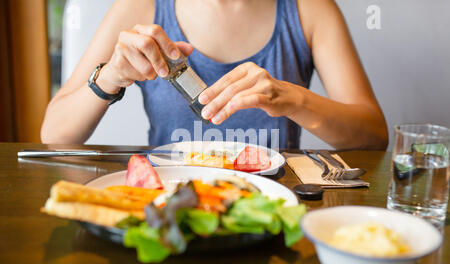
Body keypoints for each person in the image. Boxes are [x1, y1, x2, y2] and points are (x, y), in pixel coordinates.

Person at [41, 0, 388, 150]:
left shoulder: (308, 10)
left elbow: (373, 135)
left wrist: (293, 98)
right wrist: (109, 78)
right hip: (172, 212)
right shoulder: (141, 7)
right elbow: (54, 133)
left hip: (273, 213)